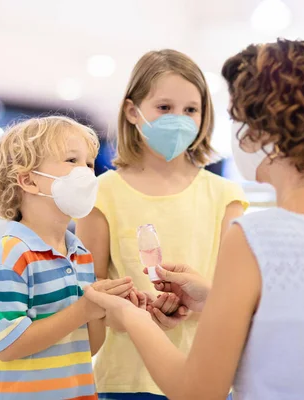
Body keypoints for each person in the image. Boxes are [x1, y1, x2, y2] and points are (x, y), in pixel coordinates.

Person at [82, 39, 304, 400]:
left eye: (238, 117)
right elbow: (301, 326)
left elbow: (197, 391)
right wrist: (212, 298)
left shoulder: (254, 237)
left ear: (260, 130)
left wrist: (132, 317)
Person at [76, 49, 248, 399]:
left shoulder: (226, 197)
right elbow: (89, 300)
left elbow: (234, 300)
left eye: (190, 110)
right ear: (132, 111)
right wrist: (132, 314)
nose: (179, 119)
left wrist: (199, 300)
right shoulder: (101, 195)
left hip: (209, 378)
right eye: (164, 107)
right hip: (125, 381)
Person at [0, 116, 135, 400]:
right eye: (72, 160)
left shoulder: (80, 254)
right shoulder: (14, 254)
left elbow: (88, 346)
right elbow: (7, 344)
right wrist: (83, 310)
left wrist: (102, 308)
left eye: (88, 163)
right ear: (28, 180)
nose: (85, 172)